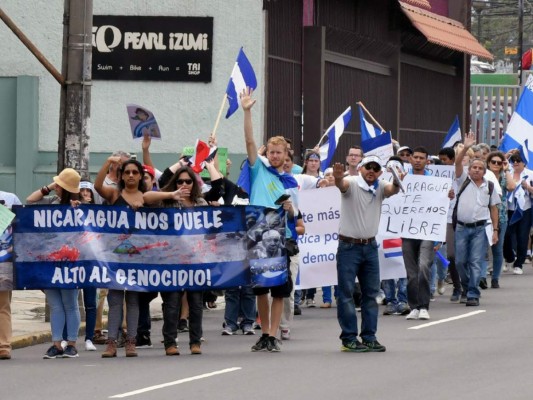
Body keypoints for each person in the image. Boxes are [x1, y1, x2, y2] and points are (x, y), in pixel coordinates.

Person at [241, 87, 299, 353]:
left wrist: (289, 208)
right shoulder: (258, 170)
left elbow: (296, 216)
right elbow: (250, 142)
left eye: (280, 153)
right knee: (260, 289)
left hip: (281, 240)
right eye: (272, 152)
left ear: (286, 157)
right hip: (257, 236)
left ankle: (274, 333)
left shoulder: (289, 182)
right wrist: (247, 111)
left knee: (278, 290)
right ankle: (264, 332)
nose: (275, 156)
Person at [333, 155, 402, 352]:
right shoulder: (353, 183)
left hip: (370, 247)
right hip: (349, 247)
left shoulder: (380, 186)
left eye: (376, 168)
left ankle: (369, 336)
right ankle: (348, 338)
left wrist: (397, 179)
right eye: (368, 167)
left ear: (380, 172)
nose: (371, 171)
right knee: (346, 294)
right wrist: (337, 178)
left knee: (371, 294)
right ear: (361, 168)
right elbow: (342, 184)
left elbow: (392, 189)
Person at [143, 166, 208, 355]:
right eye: (180, 181)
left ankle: (195, 342)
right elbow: (146, 197)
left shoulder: (200, 203)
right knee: (171, 303)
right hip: (171, 260)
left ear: (194, 183)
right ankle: (170, 343)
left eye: (188, 181)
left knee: (196, 303)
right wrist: (171, 195)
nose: (184, 185)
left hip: (195, 261)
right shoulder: (167, 201)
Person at [26, 168, 82, 359]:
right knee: (56, 305)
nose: (56, 187)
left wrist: (78, 210)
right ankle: (57, 344)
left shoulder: (80, 205)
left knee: (70, 304)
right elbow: (30, 201)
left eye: (59, 185)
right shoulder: (52, 202)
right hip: (50, 262)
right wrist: (48, 188)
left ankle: (72, 343)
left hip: (70, 262)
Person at [95, 157, 146, 357]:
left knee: (133, 301)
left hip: (137, 257)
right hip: (115, 257)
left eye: (135, 172)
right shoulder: (115, 194)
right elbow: (98, 186)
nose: (131, 176)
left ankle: (131, 341)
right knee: (115, 301)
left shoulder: (146, 196)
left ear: (140, 175)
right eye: (127, 172)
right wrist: (107, 163)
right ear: (121, 176)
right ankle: (112, 343)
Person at [454, 133, 500, 306]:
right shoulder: (462, 180)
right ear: (469, 169)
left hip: (480, 229)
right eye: (474, 168)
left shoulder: (489, 186)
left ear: (484, 171)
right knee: (459, 262)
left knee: (475, 261)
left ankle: (473, 293)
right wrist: (466, 147)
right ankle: (466, 287)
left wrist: (495, 230)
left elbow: (494, 208)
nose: (476, 170)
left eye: (480, 168)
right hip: (461, 228)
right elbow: (458, 162)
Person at [403, 147, 435, 321]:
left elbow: (440, 206)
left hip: (427, 230)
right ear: (410, 159)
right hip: (406, 230)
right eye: (415, 157)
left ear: (426, 160)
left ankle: (423, 306)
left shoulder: (435, 182)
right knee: (411, 272)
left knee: (423, 267)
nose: (417, 160)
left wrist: (447, 195)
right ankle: (413, 306)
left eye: (421, 158)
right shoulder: (402, 179)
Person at [485, 151, 515, 288]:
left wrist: (507, 168)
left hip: (501, 216)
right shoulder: (483, 176)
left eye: (499, 162)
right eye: (494, 162)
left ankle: (495, 278)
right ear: (488, 163)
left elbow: (511, 186)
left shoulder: (503, 177)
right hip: (484, 215)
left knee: (497, 249)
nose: (496, 165)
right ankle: (481, 276)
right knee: (482, 248)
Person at [0, 190, 22, 360]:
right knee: (3, 307)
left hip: (4, 261)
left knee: (2, 306)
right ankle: (4, 346)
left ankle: (4, 346)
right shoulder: (10, 198)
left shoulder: (10, 199)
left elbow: (20, 225)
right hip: (5, 259)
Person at [503, 150, 533, 275]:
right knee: (506, 235)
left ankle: (519, 263)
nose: (515, 163)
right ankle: (509, 257)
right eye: (513, 161)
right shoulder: (507, 173)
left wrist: (528, 187)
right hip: (509, 209)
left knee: (522, 236)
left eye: (518, 161)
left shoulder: (530, 174)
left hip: (525, 210)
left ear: (524, 163)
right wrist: (506, 156)